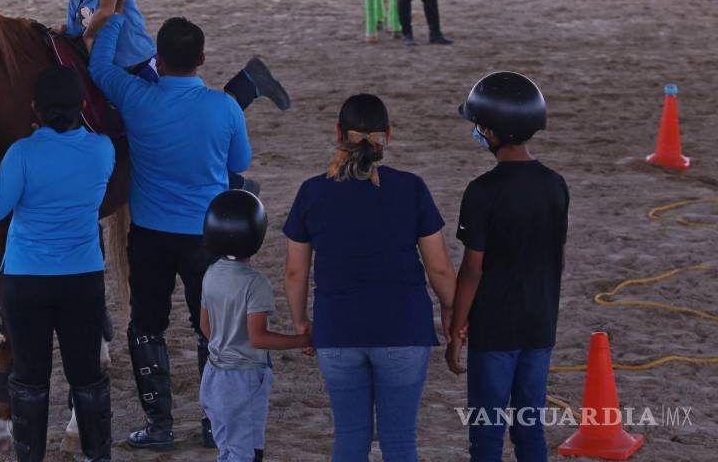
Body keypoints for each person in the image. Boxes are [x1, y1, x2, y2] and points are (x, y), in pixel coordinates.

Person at [88, 8, 253, 450]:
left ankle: (159, 425)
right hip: (207, 237)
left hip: (150, 236)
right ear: (202, 58)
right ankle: (212, 423)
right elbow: (240, 164)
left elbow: (99, 67)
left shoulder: (137, 97)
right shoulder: (225, 106)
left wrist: (116, 17)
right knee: (212, 330)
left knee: (146, 325)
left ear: (156, 60)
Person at [0, 65, 115, 462]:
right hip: (82, 277)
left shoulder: (22, 154)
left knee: (29, 380)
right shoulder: (102, 150)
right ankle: (96, 454)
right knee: (88, 377)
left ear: (35, 109)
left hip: (26, 280)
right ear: (80, 108)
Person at [283, 94, 457, 462]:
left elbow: (295, 271)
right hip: (404, 329)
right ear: (388, 135)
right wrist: (452, 312)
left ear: (338, 134)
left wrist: (301, 323)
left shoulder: (312, 191)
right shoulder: (411, 187)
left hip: (338, 330)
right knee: (400, 442)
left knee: (348, 440)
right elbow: (439, 268)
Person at [447, 72, 568, 462]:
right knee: (529, 425)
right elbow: (556, 256)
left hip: (495, 328)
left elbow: (472, 269)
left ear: (491, 130)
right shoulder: (556, 184)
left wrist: (456, 328)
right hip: (539, 323)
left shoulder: (482, 191)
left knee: (486, 428)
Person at [38, 0, 291, 111]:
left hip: (138, 66)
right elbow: (76, 33)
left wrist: (88, 36)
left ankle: (247, 84)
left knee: (180, 114)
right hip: (116, 70)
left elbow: (106, 10)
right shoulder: (75, 2)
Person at [199, 190, 310, 462]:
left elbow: (206, 326)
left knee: (229, 448)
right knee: (246, 453)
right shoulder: (255, 283)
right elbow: (257, 338)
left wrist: (225, 342)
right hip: (244, 379)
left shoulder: (211, 273)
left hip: (213, 376)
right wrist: (302, 341)